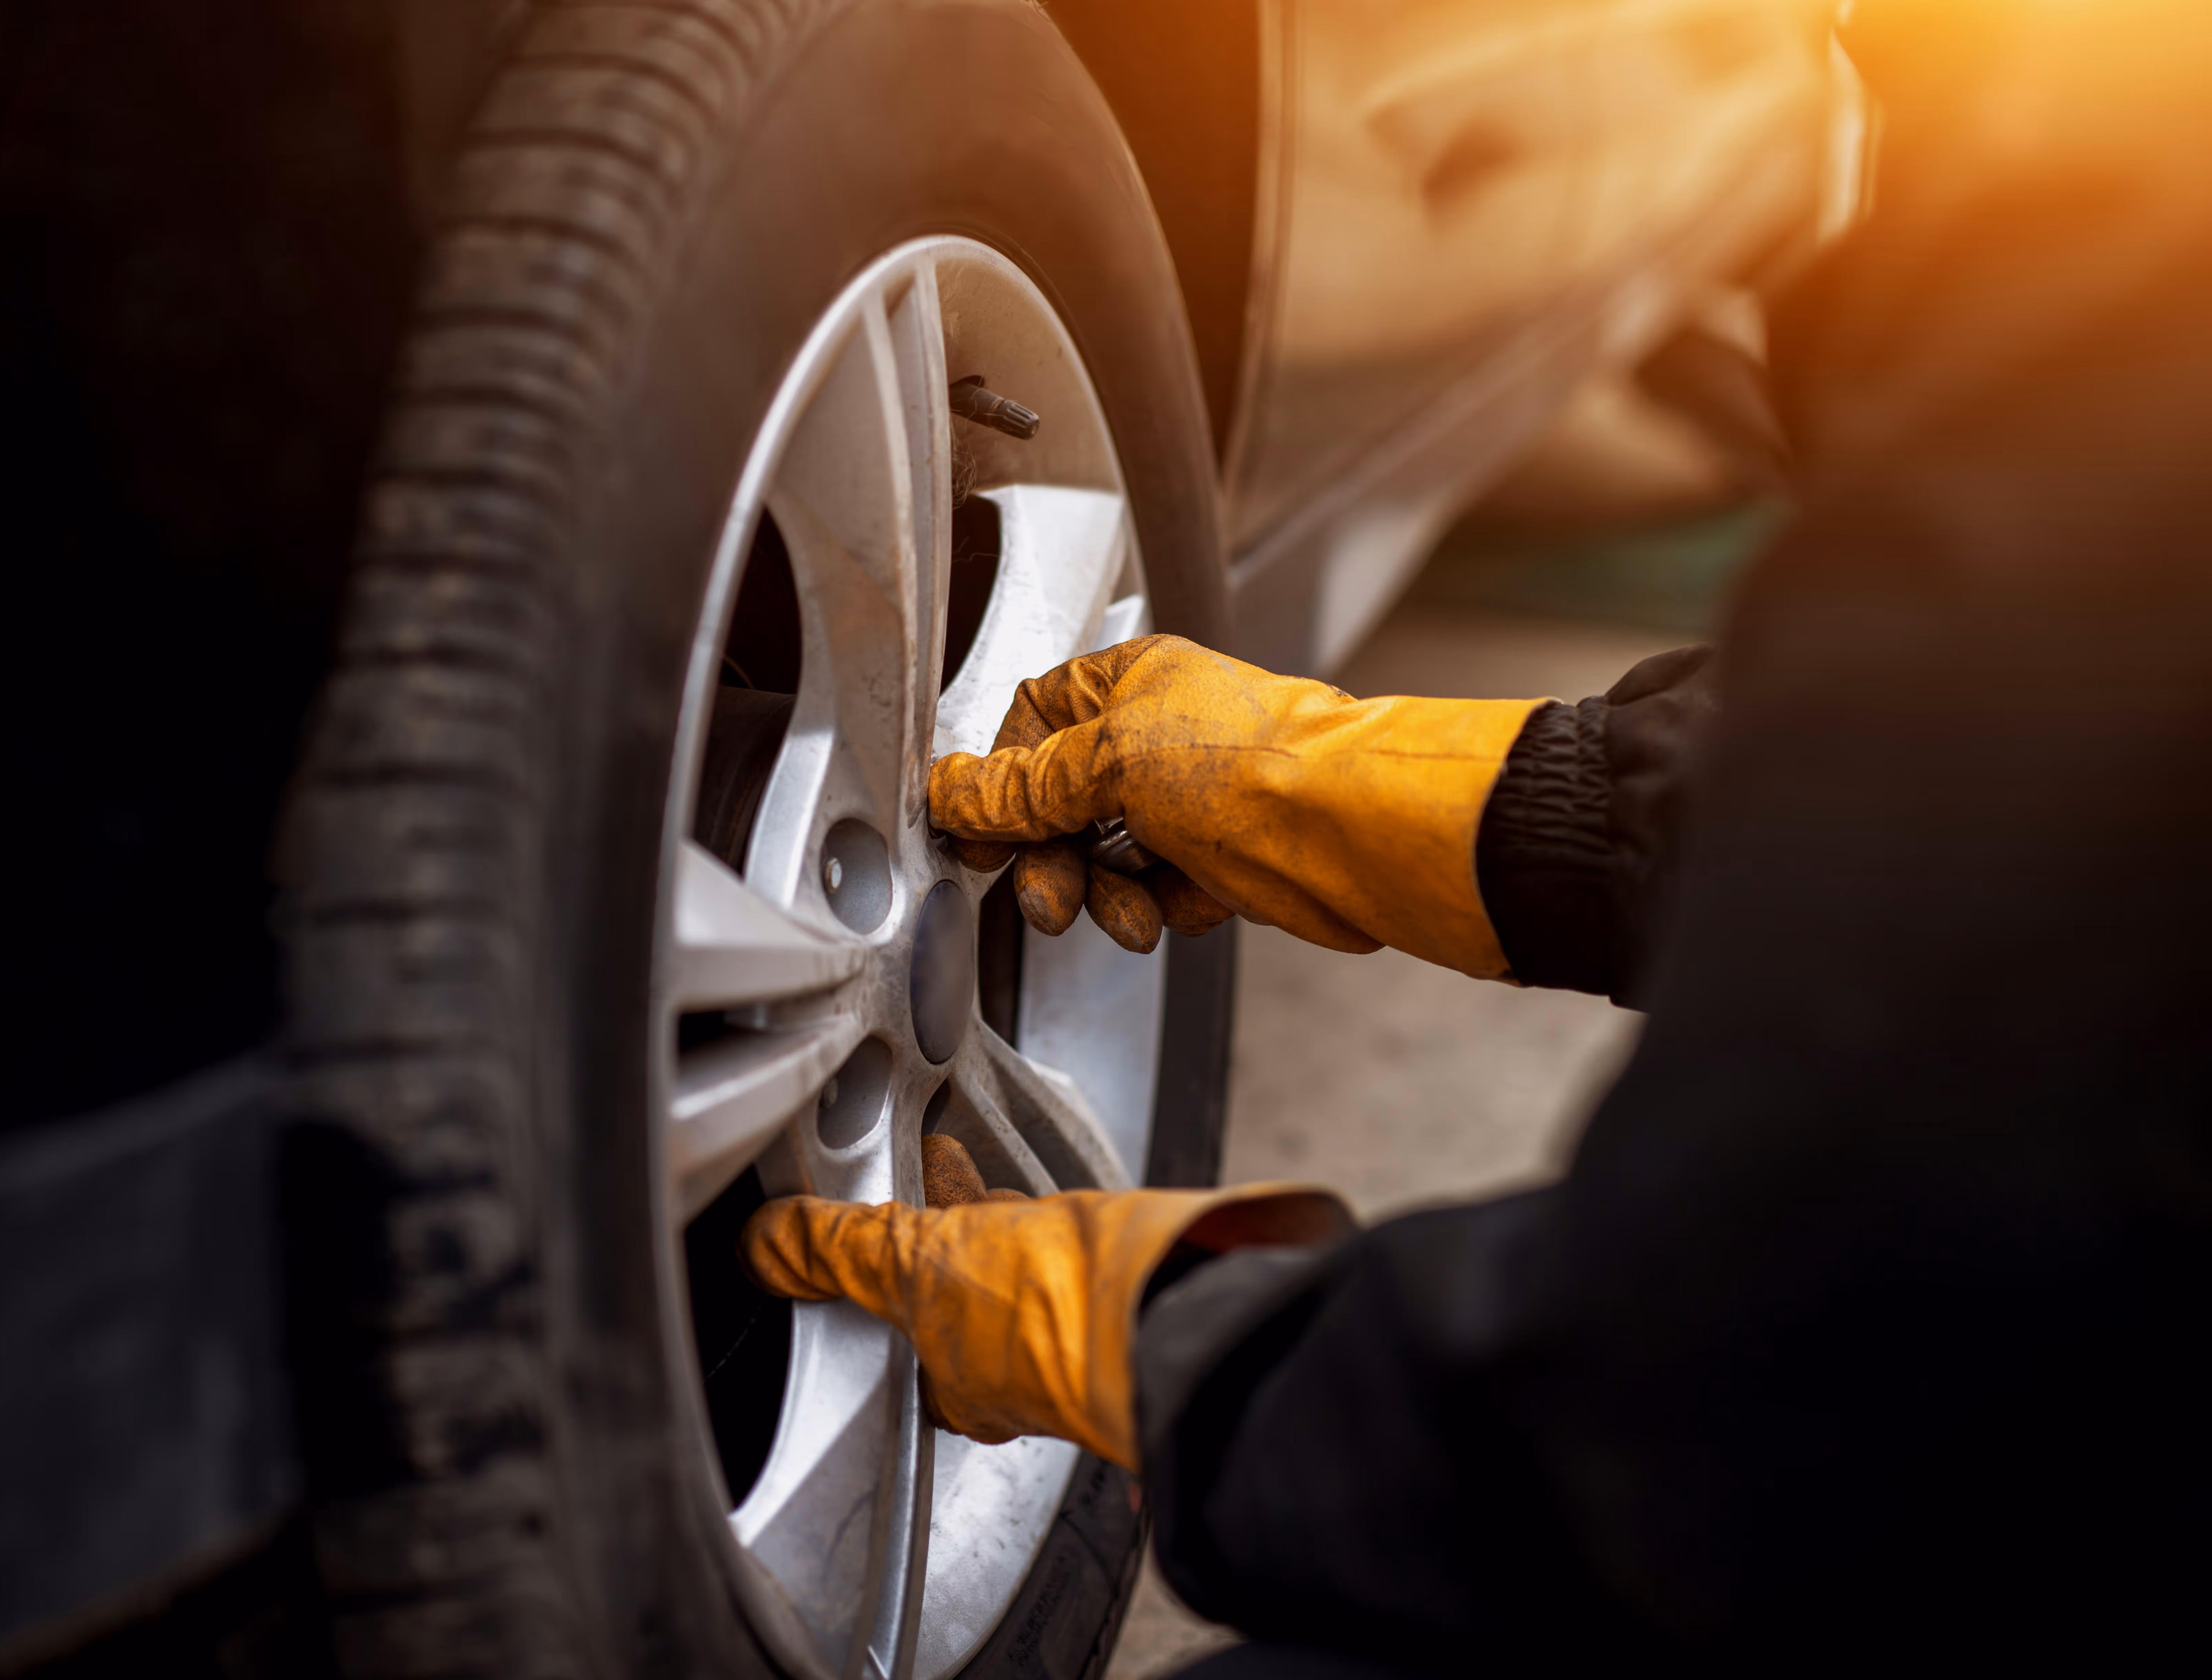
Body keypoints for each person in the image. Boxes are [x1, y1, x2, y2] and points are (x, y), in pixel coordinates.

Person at [743, 1, 2212, 1669]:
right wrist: (1389, 790)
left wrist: (1191, 1348)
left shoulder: (2122, 170)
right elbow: (2074, 805)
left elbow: (1753, 1403)